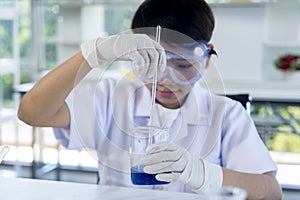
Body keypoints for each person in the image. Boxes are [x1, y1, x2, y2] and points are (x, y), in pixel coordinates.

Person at [18, 0, 282, 199]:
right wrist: (94, 54)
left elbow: (271, 192)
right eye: (153, 65)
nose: (166, 79)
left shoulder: (226, 115)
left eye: (183, 66)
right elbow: (31, 113)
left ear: (207, 60)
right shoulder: (111, 97)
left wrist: (202, 173)